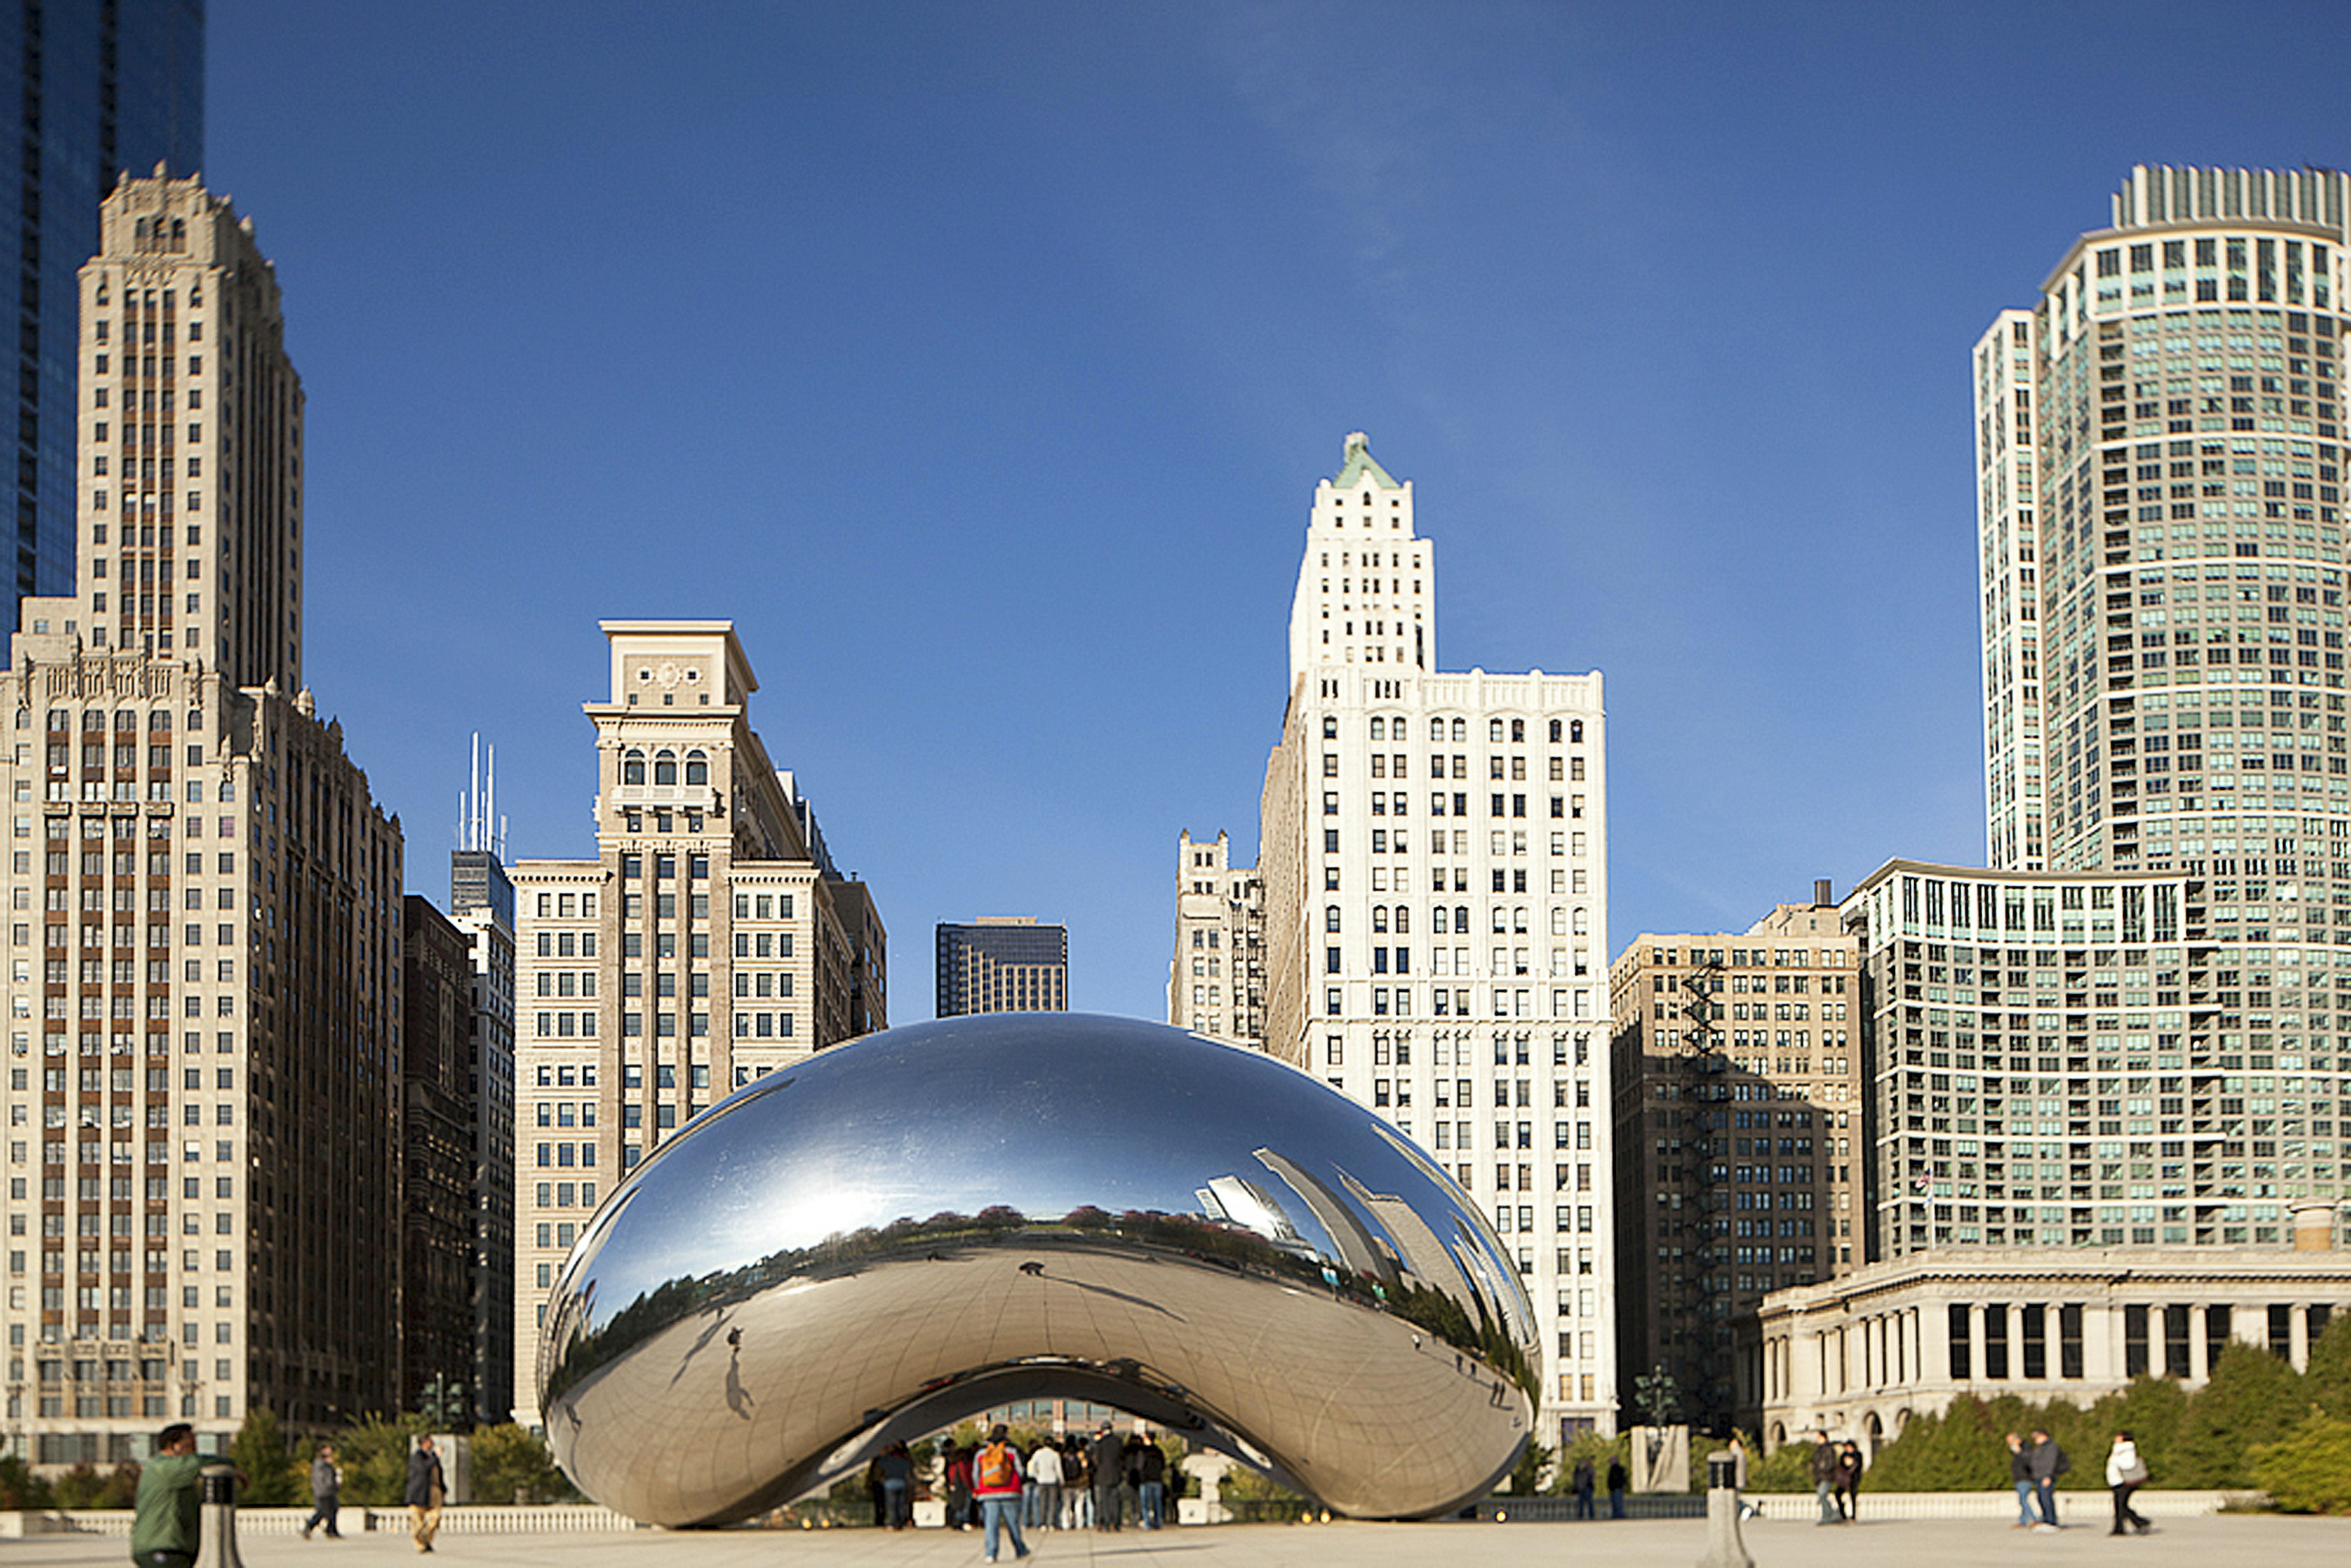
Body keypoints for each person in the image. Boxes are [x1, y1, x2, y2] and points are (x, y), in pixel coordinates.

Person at [131, 1422, 208, 1568]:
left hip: (175, 1549)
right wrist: (230, 1466)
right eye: (190, 1445)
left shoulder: (179, 1474)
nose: (194, 1452)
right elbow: (199, 1463)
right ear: (174, 1446)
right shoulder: (164, 1468)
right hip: (161, 1546)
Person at [970, 1424, 1030, 1563]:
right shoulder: (1011, 1451)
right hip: (1010, 1492)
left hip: (988, 1493)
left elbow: (975, 1475)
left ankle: (991, 1553)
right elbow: (1020, 1471)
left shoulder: (981, 1453)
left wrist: (978, 1489)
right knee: (1013, 1524)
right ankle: (1020, 1549)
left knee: (991, 1525)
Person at [2105, 1431, 2152, 1536]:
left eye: (2118, 1436)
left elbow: (2129, 1465)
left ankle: (2122, 1528)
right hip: (2117, 1481)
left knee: (2121, 1506)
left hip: (2125, 1482)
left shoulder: (2127, 1449)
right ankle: (2138, 1523)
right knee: (2120, 1506)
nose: (2116, 1438)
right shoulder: (2118, 1449)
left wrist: (2117, 1462)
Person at [406, 1435, 446, 1554]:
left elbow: (438, 1474)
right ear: (425, 1443)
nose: (433, 1443)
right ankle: (422, 1545)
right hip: (419, 1494)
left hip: (434, 1492)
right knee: (417, 1523)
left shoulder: (433, 1458)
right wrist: (435, 1456)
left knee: (436, 1517)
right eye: (430, 1441)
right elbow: (424, 1469)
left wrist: (443, 1488)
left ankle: (427, 1537)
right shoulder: (417, 1457)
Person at [2026, 1428, 2068, 1532]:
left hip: (2046, 1476)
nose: (2035, 1439)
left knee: (2046, 1498)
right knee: (2041, 1498)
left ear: (2043, 1436)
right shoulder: (2041, 1448)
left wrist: (2048, 1476)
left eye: (2036, 1437)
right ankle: (2046, 1519)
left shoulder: (2051, 1447)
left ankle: (2051, 1521)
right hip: (2040, 1476)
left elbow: (2051, 1462)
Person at [302, 1441, 342, 1539]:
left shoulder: (326, 1465)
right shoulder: (320, 1464)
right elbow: (323, 1479)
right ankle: (310, 1526)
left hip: (330, 1491)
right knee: (323, 1512)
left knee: (334, 1509)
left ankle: (332, 1530)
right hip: (323, 1492)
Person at [1089, 1425, 1124, 1531]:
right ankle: (1116, 1522)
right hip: (1116, 1474)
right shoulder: (1118, 1441)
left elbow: (1097, 1460)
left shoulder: (1100, 1444)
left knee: (1104, 1500)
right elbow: (1122, 1457)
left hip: (1103, 1475)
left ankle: (1107, 1522)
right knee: (1115, 1499)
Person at [1027, 1439, 1062, 1532]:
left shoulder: (1038, 1454)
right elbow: (1058, 1470)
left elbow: (1032, 1466)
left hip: (1041, 1481)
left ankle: (1042, 1524)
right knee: (1052, 1503)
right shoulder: (1055, 1455)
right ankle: (1051, 1524)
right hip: (1052, 1480)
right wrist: (1061, 1481)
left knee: (1042, 1503)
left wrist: (1036, 1476)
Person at [877, 1443, 913, 1529]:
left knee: (892, 1506)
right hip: (902, 1482)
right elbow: (909, 1467)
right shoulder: (904, 1461)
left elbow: (881, 1464)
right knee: (901, 1505)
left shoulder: (888, 1461)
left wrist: (886, 1454)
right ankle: (901, 1523)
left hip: (890, 1483)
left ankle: (894, 1523)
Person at [2006, 1432, 2038, 1528]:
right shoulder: (2019, 1453)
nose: (2010, 1444)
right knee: (2022, 1499)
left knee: (2023, 1500)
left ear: (2018, 1440)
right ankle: (2023, 1521)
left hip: (2025, 1478)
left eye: (2011, 1441)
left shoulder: (2026, 1451)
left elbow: (2028, 1462)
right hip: (2019, 1478)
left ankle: (2034, 1519)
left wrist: (2019, 1452)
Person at [1136, 1436, 1167, 1530]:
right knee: (1157, 1502)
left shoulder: (1142, 1452)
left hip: (1146, 1480)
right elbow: (1163, 1465)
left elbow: (1139, 1466)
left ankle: (1147, 1523)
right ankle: (1158, 1522)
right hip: (1157, 1479)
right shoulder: (1159, 1451)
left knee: (1145, 1503)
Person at [1810, 1431, 1840, 1525]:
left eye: (1819, 1437)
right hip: (1819, 1477)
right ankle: (1830, 1515)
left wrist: (1823, 1468)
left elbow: (1831, 1463)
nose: (1817, 1439)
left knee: (1822, 1494)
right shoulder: (1818, 1450)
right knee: (1822, 1496)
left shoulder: (1829, 1449)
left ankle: (1831, 1514)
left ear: (1824, 1438)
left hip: (1827, 1476)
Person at [945, 1442, 975, 1531]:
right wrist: (969, 1486)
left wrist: (951, 1484)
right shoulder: (963, 1464)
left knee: (958, 1505)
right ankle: (964, 1522)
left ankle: (957, 1522)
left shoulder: (953, 1465)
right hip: (964, 1487)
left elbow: (951, 1476)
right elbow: (964, 1476)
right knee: (965, 1505)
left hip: (956, 1488)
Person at [1834, 1439, 1862, 1521]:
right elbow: (1841, 1466)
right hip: (1845, 1478)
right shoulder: (1844, 1455)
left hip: (1854, 1477)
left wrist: (1852, 1463)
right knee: (1838, 1494)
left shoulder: (1858, 1454)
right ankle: (1842, 1512)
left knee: (1853, 1494)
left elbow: (1859, 1466)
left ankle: (1853, 1515)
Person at [1570, 1454, 1595, 1520]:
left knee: (1589, 1502)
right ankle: (1580, 1514)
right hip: (1580, 1488)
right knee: (1580, 1502)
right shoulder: (1579, 1471)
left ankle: (1591, 1515)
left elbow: (1591, 1477)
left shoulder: (1590, 1470)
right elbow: (1574, 1477)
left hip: (1588, 1487)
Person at [1605, 1454, 1627, 1520]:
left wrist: (1618, 1485)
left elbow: (1621, 1479)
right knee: (1614, 1503)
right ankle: (1616, 1514)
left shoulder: (1619, 1469)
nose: (1611, 1462)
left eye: (1612, 1460)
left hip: (1617, 1488)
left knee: (1618, 1503)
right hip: (1613, 1489)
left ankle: (1619, 1515)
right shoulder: (1612, 1469)